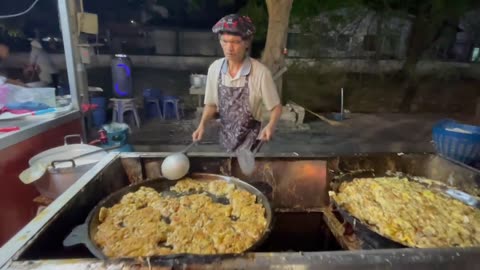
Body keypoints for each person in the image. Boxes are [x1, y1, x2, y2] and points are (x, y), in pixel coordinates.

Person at [192, 14, 282, 152]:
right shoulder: (215, 69)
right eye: (225, 41)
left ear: (246, 43)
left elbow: (276, 107)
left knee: (248, 173)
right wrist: (202, 125)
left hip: (252, 145)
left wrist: (270, 125)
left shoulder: (260, 73)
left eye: (235, 42)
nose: (229, 48)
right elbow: (211, 104)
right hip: (224, 141)